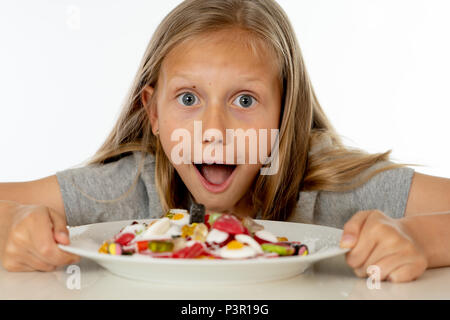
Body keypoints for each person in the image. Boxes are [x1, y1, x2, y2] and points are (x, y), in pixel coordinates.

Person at [0, 0, 449, 283]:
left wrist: (421, 240)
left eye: (245, 99)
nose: (213, 129)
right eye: (189, 98)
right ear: (153, 113)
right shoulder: (127, 188)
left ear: (285, 114)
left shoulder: (333, 187)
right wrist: (14, 224)